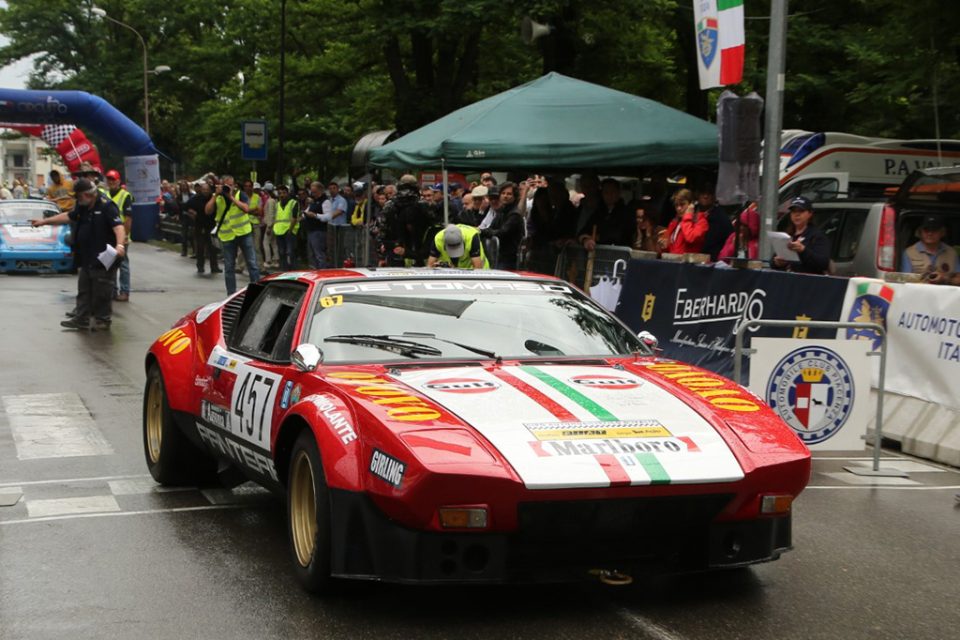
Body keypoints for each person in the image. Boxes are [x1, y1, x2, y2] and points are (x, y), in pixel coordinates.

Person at [31, 179, 125, 330]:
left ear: (89, 195)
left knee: (102, 291)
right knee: (84, 289)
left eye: (79, 196)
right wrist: (44, 221)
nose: (77, 199)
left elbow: (118, 227)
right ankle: (81, 319)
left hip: (104, 257)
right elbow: (69, 216)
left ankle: (102, 320)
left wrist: (120, 245)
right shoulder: (84, 206)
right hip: (87, 256)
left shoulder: (107, 206)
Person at [205, 175, 260, 295]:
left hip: (244, 233)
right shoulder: (218, 198)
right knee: (229, 267)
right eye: (226, 185)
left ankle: (257, 291)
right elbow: (207, 211)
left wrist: (230, 196)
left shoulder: (240, 194)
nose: (229, 187)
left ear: (234, 185)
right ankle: (231, 294)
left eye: (231, 184)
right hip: (227, 236)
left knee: (252, 263)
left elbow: (246, 208)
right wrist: (215, 195)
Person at [772, 196, 830, 274]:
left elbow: (823, 263)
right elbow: (773, 260)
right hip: (787, 280)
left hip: (808, 282)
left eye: (801, 211)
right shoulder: (787, 235)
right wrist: (777, 262)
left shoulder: (817, 236)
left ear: (810, 214)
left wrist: (803, 250)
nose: (797, 215)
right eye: (793, 211)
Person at [578, 178, 633, 250]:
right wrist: (586, 240)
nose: (609, 195)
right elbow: (584, 231)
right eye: (606, 192)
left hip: (620, 254)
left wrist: (598, 237)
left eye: (612, 191)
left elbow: (619, 235)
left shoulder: (627, 213)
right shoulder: (598, 212)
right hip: (600, 254)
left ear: (619, 193)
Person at [104, 169, 134, 302]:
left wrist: (125, 236)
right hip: (108, 235)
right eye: (109, 179)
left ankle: (125, 291)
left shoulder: (125, 195)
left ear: (118, 181)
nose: (111, 182)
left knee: (123, 264)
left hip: (121, 235)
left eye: (113, 179)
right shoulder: (104, 194)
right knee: (109, 263)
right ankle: (112, 290)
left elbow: (128, 218)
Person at [481, 181, 524, 269]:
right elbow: (492, 227)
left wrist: (485, 231)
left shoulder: (514, 214)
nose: (505, 196)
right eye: (503, 193)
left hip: (509, 258)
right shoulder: (501, 211)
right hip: (498, 255)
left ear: (514, 197)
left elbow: (502, 232)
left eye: (509, 194)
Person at [660, 188, 708, 254]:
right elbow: (672, 249)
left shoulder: (701, 221)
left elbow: (690, 238)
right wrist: (665, 247)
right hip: (673, 261)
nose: (678, 208)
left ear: (691, 205)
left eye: (682, 204)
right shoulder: (674, 223)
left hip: (688, 263)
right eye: (676, 205)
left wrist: (687, 216)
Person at [187, 181, 220, 273]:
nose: (205, 191)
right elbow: (186, 206)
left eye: (207, 190)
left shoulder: (213, 198)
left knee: (213, 248)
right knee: (200, 247)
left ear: (210, 191)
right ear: (201, 190)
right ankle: (200, 266)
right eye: (204, 189)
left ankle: (214, 267)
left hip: (211, 225)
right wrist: (192, 212)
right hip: (200, 226)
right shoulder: (196, 198)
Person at [696, 185, 733, 261]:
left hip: (712, 261)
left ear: (714, 197)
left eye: (709, 194)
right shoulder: (690, 212)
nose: (705, 196)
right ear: (697, 195)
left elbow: (729, 238)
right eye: (703, 193)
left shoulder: (721, 217)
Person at [273, 184, 300, 270]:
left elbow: (294, 217)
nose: (281, 195)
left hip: (289, 231)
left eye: (284, 193)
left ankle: (293, 271)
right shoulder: (277, 204)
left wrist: (290, 230)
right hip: (279, 231)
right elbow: (276, 217)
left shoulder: (293, 203)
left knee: (291, 252)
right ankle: (283, 270)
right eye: (280, 193)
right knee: (281, 252)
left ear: (287, 193)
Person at [242, 180, 265, 268]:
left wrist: (247, 210)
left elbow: (259, 212)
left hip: (255, 224)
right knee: (242, 246)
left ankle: (260, 266)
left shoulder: (257, 197)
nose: (248, 188)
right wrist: (252, 209)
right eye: (246, 186)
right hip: (244, 224)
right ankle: (240, 266)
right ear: (244, 187)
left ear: (252, 187)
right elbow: (242, 210)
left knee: (257, 247)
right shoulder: (241, 196)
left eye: (249, 186)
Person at [261, 182, 279, 268]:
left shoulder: (271, 200)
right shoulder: (275, 200)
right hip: (274, 225)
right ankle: (276, 260)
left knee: (265, 242)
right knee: (273, 243)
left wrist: (269, 226)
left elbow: (271, 214)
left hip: (270, 225)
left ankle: (268, 260)